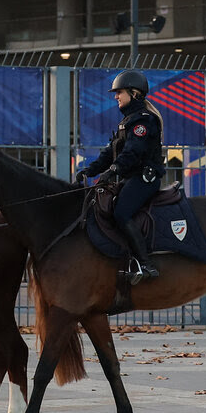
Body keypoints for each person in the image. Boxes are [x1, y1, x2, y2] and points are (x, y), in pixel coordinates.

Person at [75, 69, 166, 281]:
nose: (116, 96)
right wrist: (92, 170)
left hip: (144, 179)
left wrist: (113, 171)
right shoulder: (128, 121)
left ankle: (145, 264)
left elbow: (133, 152)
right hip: (130, 177)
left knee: (121, 213)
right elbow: (111, 152)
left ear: (134, 93)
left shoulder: (143, 121)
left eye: (120, 92)